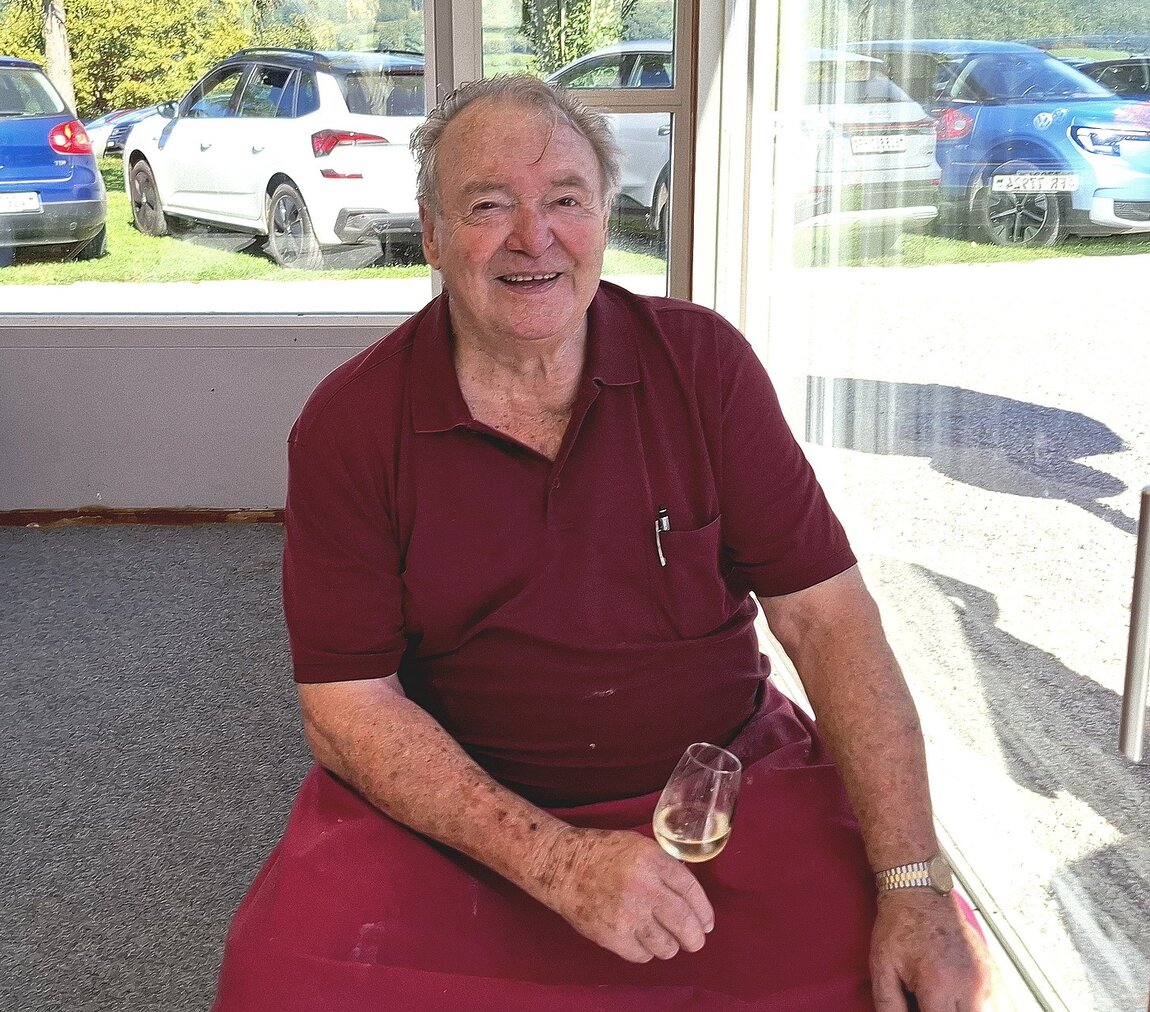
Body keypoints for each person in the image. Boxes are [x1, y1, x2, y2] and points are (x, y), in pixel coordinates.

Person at [212, 75, 1000, 1011]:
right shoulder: (350, 423)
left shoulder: (703, 365)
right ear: (430, 232)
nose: (533, 237)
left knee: (898, 972)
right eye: (488, 206)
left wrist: (914, 883)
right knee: (279, 985)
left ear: (603, 218)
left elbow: (828, 621)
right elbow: (346, 706)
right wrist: (557, 862)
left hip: (715, 796)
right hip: (465, 816)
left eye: (565, 200)